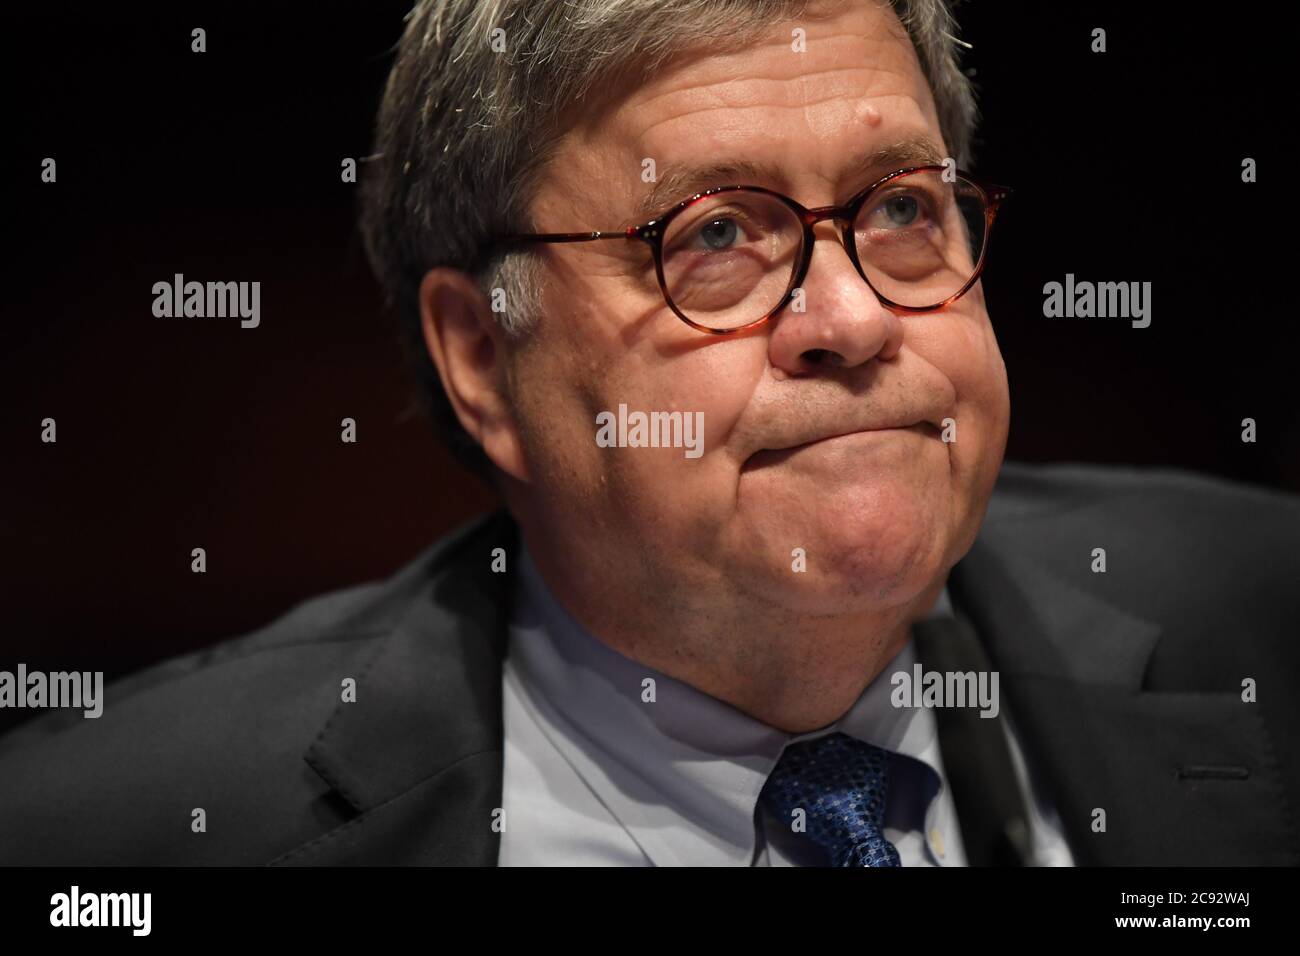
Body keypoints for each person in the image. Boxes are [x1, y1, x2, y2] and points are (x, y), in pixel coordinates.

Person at [1, 0, 1296, 867]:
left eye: (902, 205)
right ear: (483, 359)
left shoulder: (1268, 622)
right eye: (715, 236)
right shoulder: (112, 834)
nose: (848, 316)